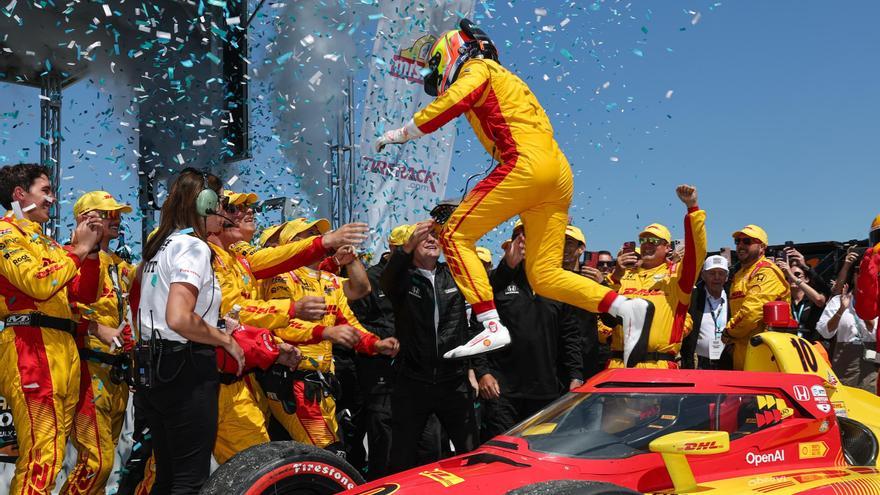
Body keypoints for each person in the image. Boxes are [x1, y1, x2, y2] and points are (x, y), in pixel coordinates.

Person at [374, 18, 651, 360]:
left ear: (450, 53)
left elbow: (452, 101)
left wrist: (400, 133)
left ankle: (490, 324)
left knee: (454, 235)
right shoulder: (510, 80)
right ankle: (625, 307)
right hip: (557, 173)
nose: (436, 78)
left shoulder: (478, 68)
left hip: (526, 164)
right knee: (544, 275)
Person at [136, 169, 245, 494]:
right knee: (189, 481)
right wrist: (225, 340)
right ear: (206, 203)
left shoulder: (160, 244)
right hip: (185, 369)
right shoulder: (193, 247)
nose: (224, 209)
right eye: (222, 201)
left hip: (153, 368)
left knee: (167, 477)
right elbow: (179, 318)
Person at [0, 164, 103, 495]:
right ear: (20, 194)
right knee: (41, 456)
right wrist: (79, 250)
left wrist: (91, 250)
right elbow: (38, 283)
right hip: (29, 346)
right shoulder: (5, 234)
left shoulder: (45, 242)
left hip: (63, 347)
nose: (53, 199)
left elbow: (84, 294)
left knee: (54, 456)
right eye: (45, 191)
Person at [260, 218, 399, 452]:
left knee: (321, 455)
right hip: (294, 381)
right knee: (328, 453)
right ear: (292, 243)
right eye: (309, 234)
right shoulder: (282, 276)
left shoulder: (329, 280)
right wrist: (325, 332)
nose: (318, 237)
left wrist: (375, 344)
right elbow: (282, 325)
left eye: (318, 232)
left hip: (323, 384)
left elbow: (349, 321)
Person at [380, 220, 479, 472]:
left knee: (470, 454)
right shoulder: (403, 278)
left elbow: (485, 285)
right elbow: (388, 278)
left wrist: (472, 369)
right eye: (424, 237)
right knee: (401, 457)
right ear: (412, 245)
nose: (432, 240)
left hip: (453, 381)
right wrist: (407, 245)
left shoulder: (455, 274)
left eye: (435, 236)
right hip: (413, 381)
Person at [472, 223, 583, 442]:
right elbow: (478, 328)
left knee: (539, 451)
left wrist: (576, 375)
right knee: (501, 452)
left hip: (547, 390)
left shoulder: (556, 281)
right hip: (502, 390)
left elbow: (570, 334)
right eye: (519, 236)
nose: (524, 241)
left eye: (530, 235)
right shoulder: (495, 281)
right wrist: (483, 372)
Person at [63, 191, 135, 495]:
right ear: (86, 218)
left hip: (118, 375)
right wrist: (94, 327)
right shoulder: (68, 258)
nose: (116, 220)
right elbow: (57, 311)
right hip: (87, 369)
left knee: (107, 464)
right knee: (97, 462)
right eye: (108, 214)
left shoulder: (122, 265)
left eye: (118, 214)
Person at [606, 185, 706, 368]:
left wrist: (692, 208)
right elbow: (603, 312)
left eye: (654, 241)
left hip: (659, 366)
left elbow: (696, 252)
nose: (647, 245)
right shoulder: (622, 275)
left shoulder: (677, 278)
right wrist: (615, 277)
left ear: (667, 247)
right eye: (644, 240)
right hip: (618, 364)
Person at [348, 223, 411, 480]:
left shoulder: (416, 276)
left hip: (412, 372)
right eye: (405, 248)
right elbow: (356, 323)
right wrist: (386, 339)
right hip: (377, 369)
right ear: (392, 248)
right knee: (382, 434)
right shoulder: (370, 279)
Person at [722, 224, 790, 370]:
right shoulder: (740, 274)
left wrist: (728, 331)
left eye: (747, 241)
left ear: (762, 247)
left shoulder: (767, 272)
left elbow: (750, 313)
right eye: (737, 241)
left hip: (765, 356)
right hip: (743, 354)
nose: (740, 245)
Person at [817, 274, 877, 392]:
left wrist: (863, 307)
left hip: (871, 364)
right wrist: (841, 310)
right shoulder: (837, 300)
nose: (862, 276)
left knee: (870, 397)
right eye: (859, 271)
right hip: (844, 361)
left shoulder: (876, 301)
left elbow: (875, 332)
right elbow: (825, 332)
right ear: (853, 275)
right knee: (845, 397)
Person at [680, 255, 731, 370]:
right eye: (712, 273)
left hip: (727, 362)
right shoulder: (693, 297)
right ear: (703, 275)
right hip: (697, 363)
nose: (717, 277)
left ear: (726, 277)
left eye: (721, 273)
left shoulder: (732, 297)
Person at [775, 256, 826, 343]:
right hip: (790, 345)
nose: (791, 278)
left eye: (797, 274)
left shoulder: (812, 297)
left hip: (813, 345)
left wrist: (791, 275)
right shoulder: (785, 300)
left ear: (806, 279)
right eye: (788, 275)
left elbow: (819, 301)